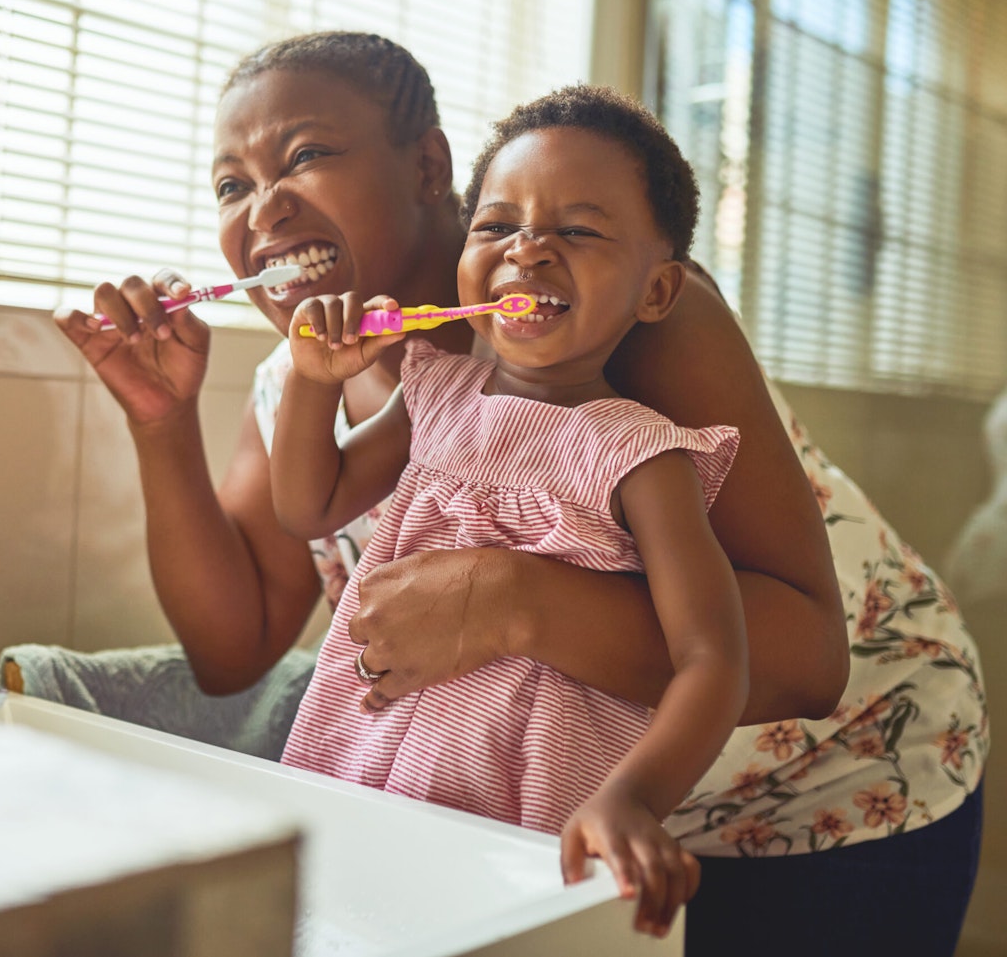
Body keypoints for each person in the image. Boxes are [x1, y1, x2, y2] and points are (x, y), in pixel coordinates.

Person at [7, 31, 986, 956]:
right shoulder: (299, 381)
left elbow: (807, 656)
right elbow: (235, 645)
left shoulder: (641, 316)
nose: (262, 208)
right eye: (232, 184)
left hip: (832, 789)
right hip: (551, 836)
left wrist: (509, 600)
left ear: (430, 167)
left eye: (303, 157)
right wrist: (160, 422)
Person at [271, 85, 747, 938]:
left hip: (522, 812)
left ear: (657, 291)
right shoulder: (433, 392)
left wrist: (633, 798)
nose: (528, 249)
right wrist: (314, 385)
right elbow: (308, 501)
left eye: (579, 230)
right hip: (361, 773)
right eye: (495, 227)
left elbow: (713, 657)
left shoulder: (643, 454)